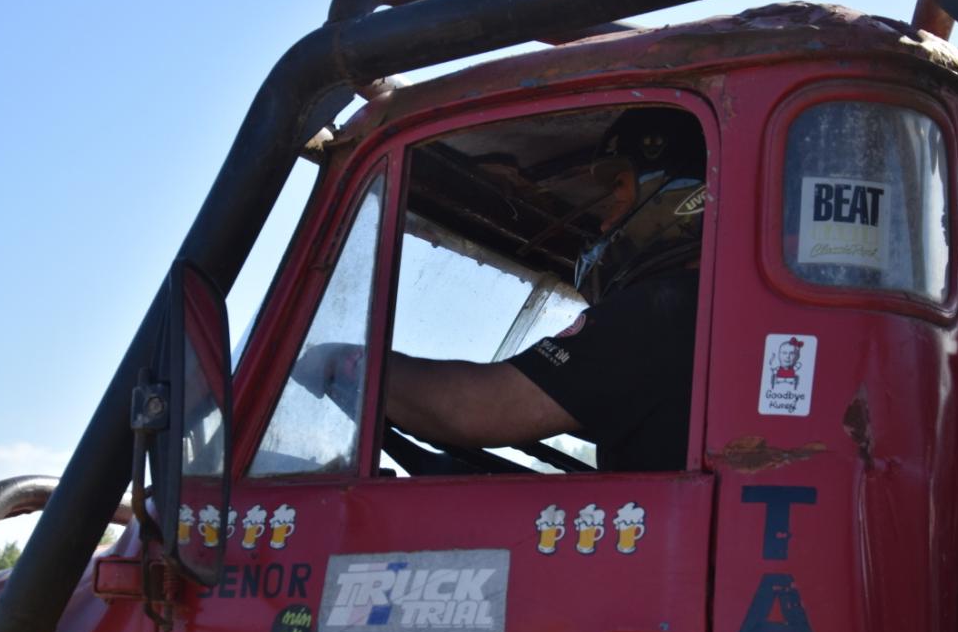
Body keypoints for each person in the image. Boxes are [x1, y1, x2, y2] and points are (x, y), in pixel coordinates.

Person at [295, 108, 706, 471]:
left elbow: (476, 409)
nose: (605, 223)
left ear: (675, 194)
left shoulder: (663, 311)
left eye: (619, 195)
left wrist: (346, 362)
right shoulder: (707, 312)